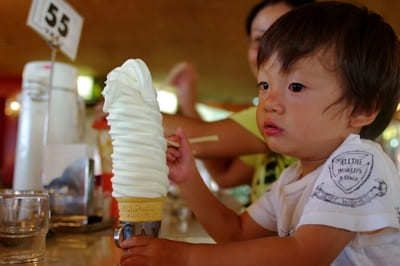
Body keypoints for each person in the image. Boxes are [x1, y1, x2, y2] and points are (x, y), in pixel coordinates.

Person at [120, 2, 400, 265]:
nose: (269, 103)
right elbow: (236, 233)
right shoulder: (292, 178)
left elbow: (304, 255)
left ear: (362, 110)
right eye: (264, 85)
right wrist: (189, 179)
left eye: (296, 87)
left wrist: (187, 257)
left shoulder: (359, 162)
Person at [164, 0, 313, 205]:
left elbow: (199, 137)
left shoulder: (284, 112)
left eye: (283, 36)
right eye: (260, 38)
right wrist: (187, 102)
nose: (268, 49)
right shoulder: (270, 124)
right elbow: (224, 174)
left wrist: (123, 109)